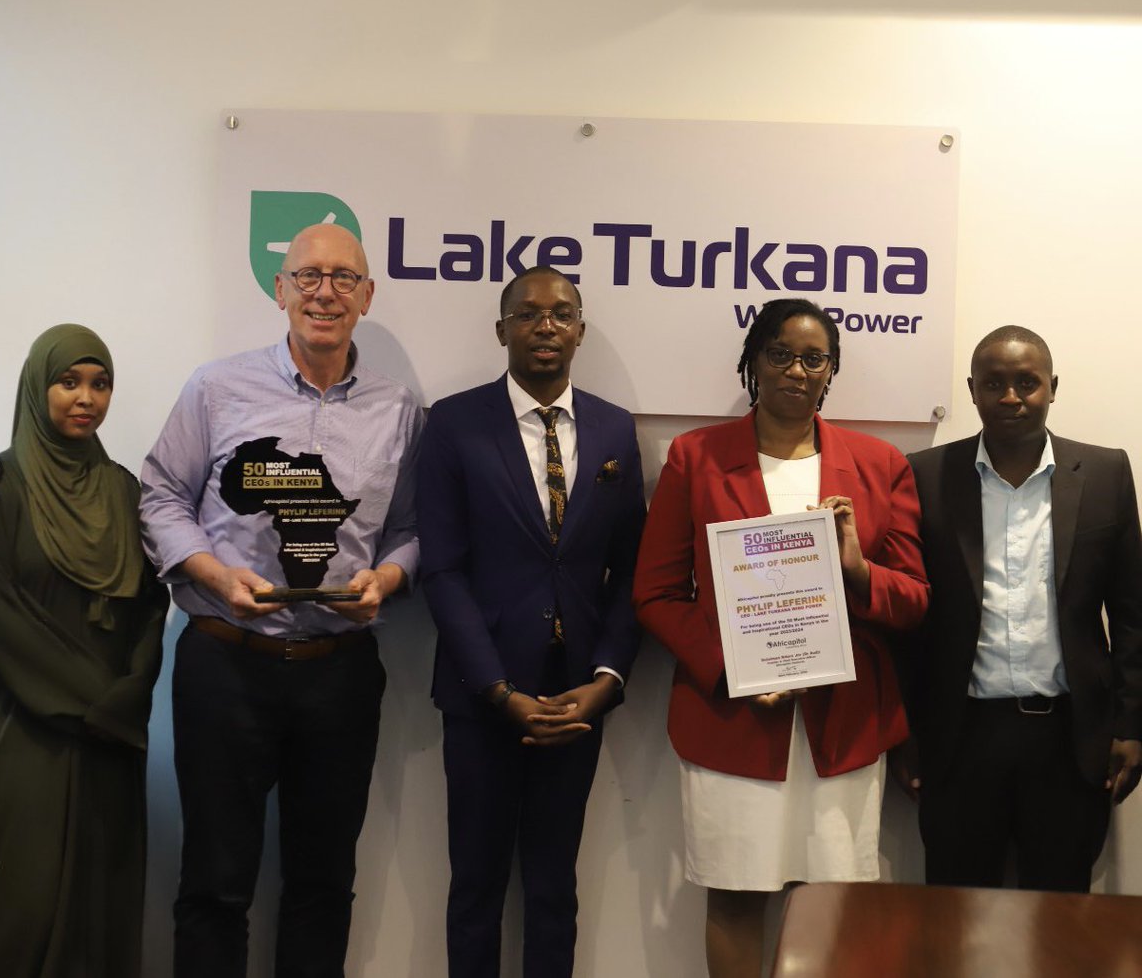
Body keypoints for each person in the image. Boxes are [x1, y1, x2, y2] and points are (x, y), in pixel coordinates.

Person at [139, 223, 421, 978]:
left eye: (342, 277)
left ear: (367, 295)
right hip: (227, 661)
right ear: (279, 289)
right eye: (307, 275)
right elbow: (160, 493)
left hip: (341, 670)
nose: (323, 291)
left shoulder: (399, 413)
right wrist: (211, 571)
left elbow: (412, 529)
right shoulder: (216, 386)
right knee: (214, 884)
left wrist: (386, 579)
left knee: (324, 884)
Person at [632, 297, 928, 978]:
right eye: (780, 353)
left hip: (843, 723)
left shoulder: (880, 464)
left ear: (831, 370)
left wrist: (857, 569)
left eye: (813, 357)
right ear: (754, 361)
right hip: (733, 717)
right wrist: (732, 668)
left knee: (829, 904)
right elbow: (655, 591)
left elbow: (913, 599)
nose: (796, 370)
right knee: (737, 897)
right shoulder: (696, 456)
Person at [417, 266, 646, 978]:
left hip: (577, 696)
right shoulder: (454, 423)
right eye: (527, 314)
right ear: (502, 330)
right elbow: (443, 568)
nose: (545, 325)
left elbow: (633, 568)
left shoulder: (612, 427)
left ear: (579, 329)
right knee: (476, 888)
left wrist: (606, 679)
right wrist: (494, 687)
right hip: (484, 694)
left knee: (554, 890)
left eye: (561, 313)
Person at [0, 324, 168, 978]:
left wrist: (128, 691)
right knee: (15, 907)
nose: (86, 397)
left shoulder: (124, 492)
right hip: (11, 729)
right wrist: (94, 698)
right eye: (69, 381)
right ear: (37, 386)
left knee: (98, 909)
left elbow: (152, 606)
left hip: (104, 736)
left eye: (100, 384)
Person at [900, 325, 1142, 891]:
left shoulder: (1106, 473)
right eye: (994, 383)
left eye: (1026, 383)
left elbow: (1132, 612)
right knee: (958, 918)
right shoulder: (924, 475)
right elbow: (911, 622)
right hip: (960, 738)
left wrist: (1131, 723)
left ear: (1052, 387)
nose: (1011, 397)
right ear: (972, 389)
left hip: (1070, 738)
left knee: (1060, 919)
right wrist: (906, 732)